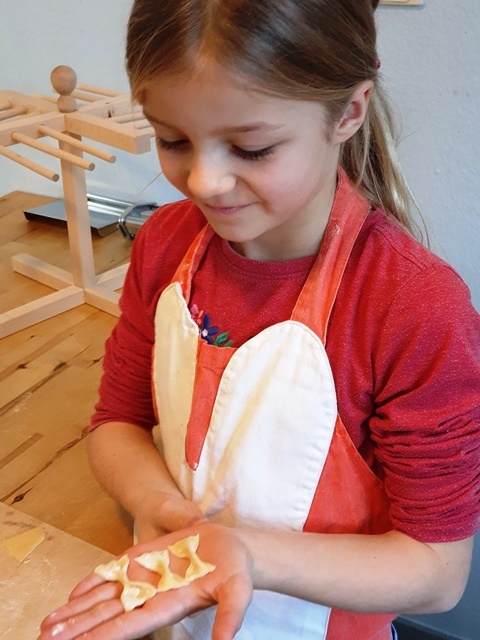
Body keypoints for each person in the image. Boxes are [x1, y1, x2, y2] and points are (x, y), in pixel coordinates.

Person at [38, 1, 480, 639]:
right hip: (174, 617)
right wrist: (156, 504)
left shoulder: (413, 308)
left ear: (347, 113)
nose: (204, 181)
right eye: (173, 140)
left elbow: (436, 571)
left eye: (252, 148)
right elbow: (116, 424)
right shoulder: (164, 246)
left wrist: (245, 555)